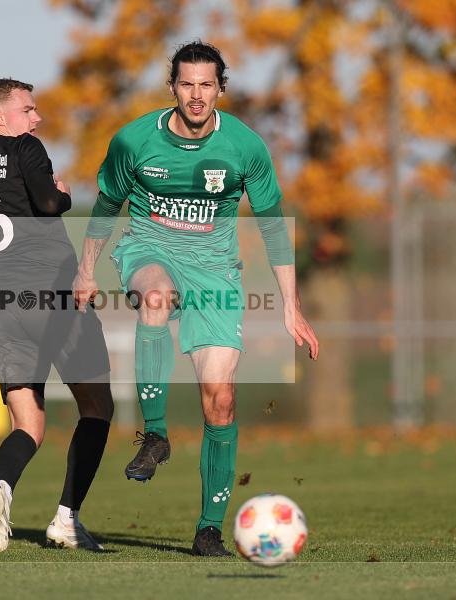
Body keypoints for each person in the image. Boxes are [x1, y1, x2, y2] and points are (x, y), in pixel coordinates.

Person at [72, 42, 320, 556]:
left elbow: (273, 229)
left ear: (221, 90)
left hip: (216, 273)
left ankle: (208, 528)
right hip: (149, 249)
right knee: (156, 295)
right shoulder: (134, 141)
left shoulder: (245, 147)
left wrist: (290, 305)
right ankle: (156, 434)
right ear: (173, 88)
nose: (197, 95)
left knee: (221, 399)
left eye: (207, 85)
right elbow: (106, 205)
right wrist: (86, 270)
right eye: (187, 84)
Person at [0, 78, 113, 552]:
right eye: (28, 110)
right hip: (51, 298)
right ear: (0, 115)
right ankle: (66, 519)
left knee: (27, 425)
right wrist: (64, 195)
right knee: (97, 407)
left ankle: (2, 490)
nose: (36, 119)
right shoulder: (25, 149)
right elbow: (47, 203)